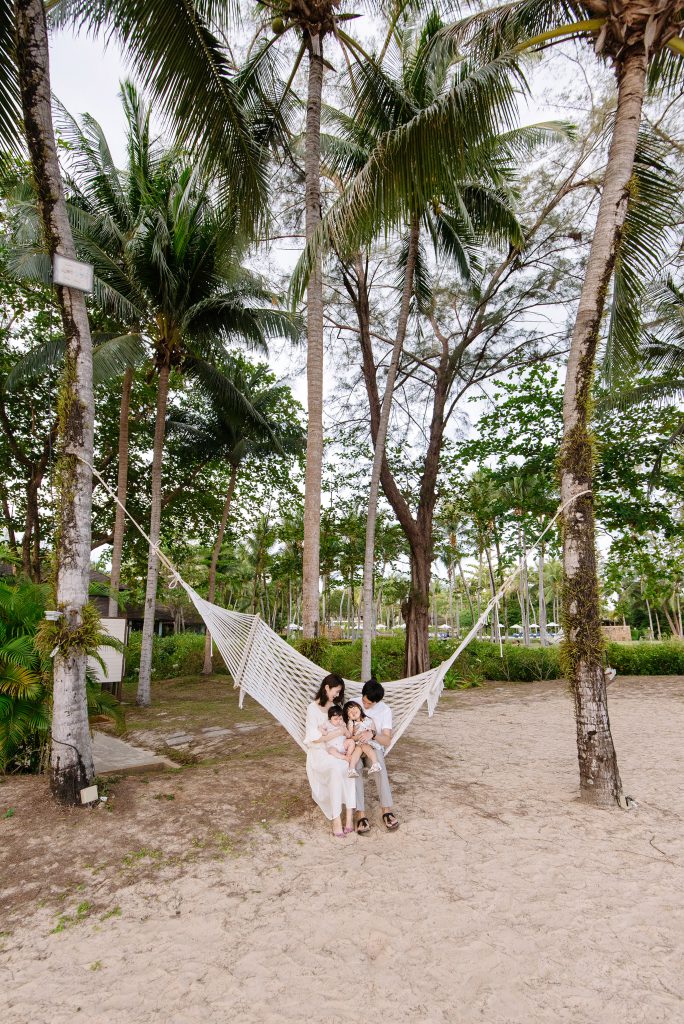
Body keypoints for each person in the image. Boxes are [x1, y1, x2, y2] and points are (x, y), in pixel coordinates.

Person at [304, 673, 356, 837]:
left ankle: (348, 817)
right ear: (326, 687)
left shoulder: (336, 709)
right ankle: (335, 818)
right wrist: (336, 733)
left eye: (340, 692)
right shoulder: (312, 708)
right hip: (319, 753)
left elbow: (346, 729)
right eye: (336, 691)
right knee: (335, 767)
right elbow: (316, 738)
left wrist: (344, 731)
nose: (338, 695)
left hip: (337, 749)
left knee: (349, 767)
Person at [353, 678, 400, 834]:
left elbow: (387, 740)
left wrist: (372, 734)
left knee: (379, 763)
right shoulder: (353, 704)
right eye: (364, 702)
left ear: (377, 702)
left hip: (374, 747)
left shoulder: (385, 710)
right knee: (355, 768)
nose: (365, 706)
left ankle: (386, 810)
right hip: (355, 748)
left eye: (369, 704)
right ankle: (361, 814)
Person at [342, 700, 382, 778]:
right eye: (349, 712)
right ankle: (352, 769)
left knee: (363, 745)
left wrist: (368, 733)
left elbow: (373, 731)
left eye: (353, 708)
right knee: (358, 748)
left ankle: (375, 763)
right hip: (358, 743)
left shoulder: (369, 719)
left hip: (368, 743)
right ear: (348, 717)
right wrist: (350, 725)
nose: (352, 711)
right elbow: (350, 737)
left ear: (359, 708)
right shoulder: (352, 724)